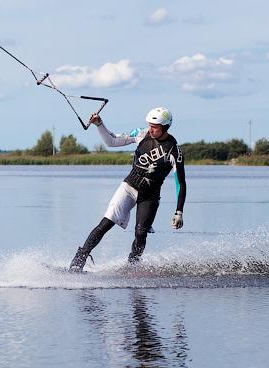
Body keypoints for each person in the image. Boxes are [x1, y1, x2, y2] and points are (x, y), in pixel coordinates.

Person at [69, 107, 186, 271]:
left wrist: (179, 212)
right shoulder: (141, 133)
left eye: (154, 127)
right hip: (129, 187)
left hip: (150, 196)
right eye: (149, 125)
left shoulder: (174, 150)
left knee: (140, 233)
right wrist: (99, 124)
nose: (150, 129)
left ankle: (132, 266)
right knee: (105, 223)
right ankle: (79, 260)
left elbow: (181, 183)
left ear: (165, 127)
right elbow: (111, 141)